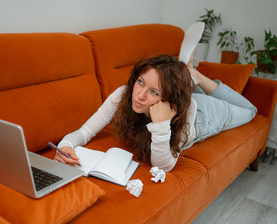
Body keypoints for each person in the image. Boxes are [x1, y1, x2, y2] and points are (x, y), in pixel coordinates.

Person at [54, 22, 257, 172]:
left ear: (167, 98)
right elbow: (84, 132)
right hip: (178, 95)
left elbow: (164, 165)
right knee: (174, 87)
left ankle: (195, 75)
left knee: (251, 111)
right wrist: (65, 146)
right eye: (140, 82)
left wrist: (161, 125)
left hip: (206, 116)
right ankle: (187, 74)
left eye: (153, 92)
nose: (139, 96)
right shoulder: (123, 94)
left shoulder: (183, 114)